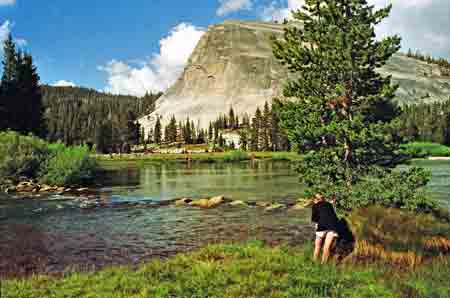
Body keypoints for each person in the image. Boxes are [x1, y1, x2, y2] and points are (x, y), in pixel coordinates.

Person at [311, 194, 340, 263]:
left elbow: (315, 219)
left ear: (315, 199)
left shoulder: (315, 206)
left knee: (317, 245)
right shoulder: (329, 204)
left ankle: (314, 262)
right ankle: (323, 264)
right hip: (333, 226)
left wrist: (317, 225)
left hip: (322, 226)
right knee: (327, 247)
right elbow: (334, 215)